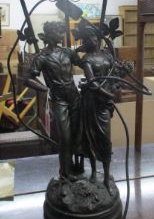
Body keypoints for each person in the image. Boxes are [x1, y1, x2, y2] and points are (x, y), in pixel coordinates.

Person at [24, 21, 81, 179]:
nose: (61, 35)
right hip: (59, 100)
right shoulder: (42, 57)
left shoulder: (67, 52)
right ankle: (65, 173)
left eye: (61, 32)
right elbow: (27, 78)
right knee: (65, 137)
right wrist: (44, 88)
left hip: (75, 97)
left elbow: (83, 62)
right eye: (57, 32)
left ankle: (76, 167)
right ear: (49, 35)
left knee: (77, 134)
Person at [75, 19, 117, 194]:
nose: (91, 41)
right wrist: (107, 94)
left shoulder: (107, 55)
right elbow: (92, 82)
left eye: (93, 37)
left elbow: (114, 73)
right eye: (87, 39)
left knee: (105, 139)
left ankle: (106, 176)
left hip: (104, 104)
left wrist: (113, 89)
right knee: (90, 138)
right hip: (92, 101)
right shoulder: (87, 59)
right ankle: (92, 171)